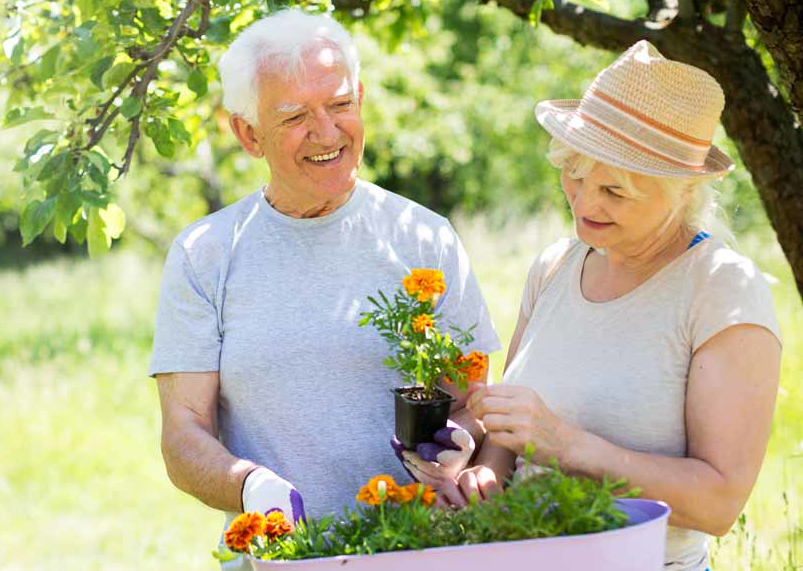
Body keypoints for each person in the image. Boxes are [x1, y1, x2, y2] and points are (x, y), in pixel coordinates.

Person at [404, 41, 781, 571]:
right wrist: (486, 475)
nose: (584, 202)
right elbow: (515, 433)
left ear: (682, 192)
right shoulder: (555, 266)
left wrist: (569, 446)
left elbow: (719, 504)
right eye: (574, 174)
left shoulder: (721, 289)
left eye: (615, 191)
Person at [148, 9, 501, 569]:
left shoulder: (423, 237)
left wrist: (457, 443)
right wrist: (250, 489)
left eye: (339, 104)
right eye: (294, 117)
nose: (327, 132)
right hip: (282, 558)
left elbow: (468, 399)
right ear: (247, 132)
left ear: (360, 98)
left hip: (418, 552)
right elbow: (184, 434)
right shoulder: (205, 254)